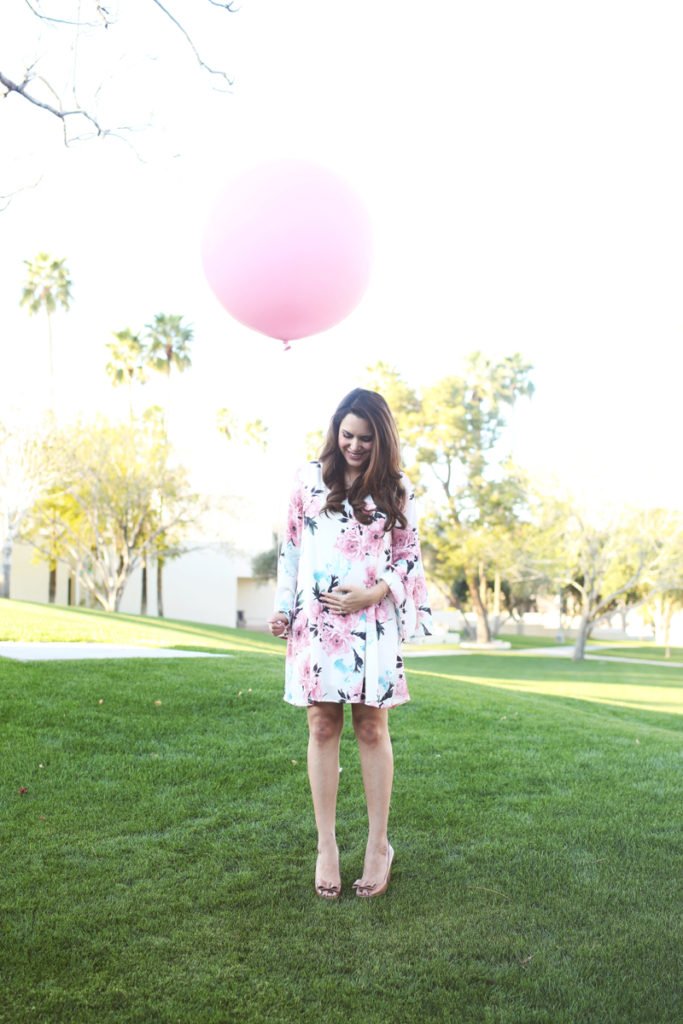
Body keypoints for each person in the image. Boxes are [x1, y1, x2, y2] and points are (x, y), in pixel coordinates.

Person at [268, 388, 432, 900]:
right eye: (347, 435)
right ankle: (326, 846)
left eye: (365, 438)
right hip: (318, 623)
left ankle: (378, 845)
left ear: (381, 438)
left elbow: (408, 558)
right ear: (335, 432)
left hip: (371, 622)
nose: (355, 446)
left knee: (370, 726)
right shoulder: (307, 480)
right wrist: (282, 606)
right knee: (321, 725)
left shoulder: (397, 489)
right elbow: (291, 546)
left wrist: (374, 592)